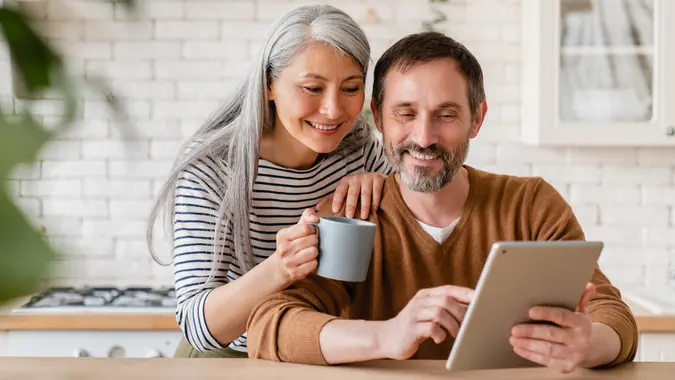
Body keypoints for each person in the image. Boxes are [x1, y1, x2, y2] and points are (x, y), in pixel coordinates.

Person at [245, 31, 638, 373]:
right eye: (405, 114)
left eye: (446, 115)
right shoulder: (351, 215)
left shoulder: (530, 205)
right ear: (378, 119)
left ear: (477, 119)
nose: (425, 137)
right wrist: (387, 336)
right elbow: (270, 326)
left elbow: (613, 316)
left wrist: (591, 344)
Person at [146, 4, 392, 358]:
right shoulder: (213, 168)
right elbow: (198, 327)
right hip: (231, 356)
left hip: (318, 350)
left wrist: (385, 186)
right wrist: (280, 267)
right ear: (269, 85)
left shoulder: (360, 151)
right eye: (312, 88)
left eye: (350, 88)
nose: (334, 110)